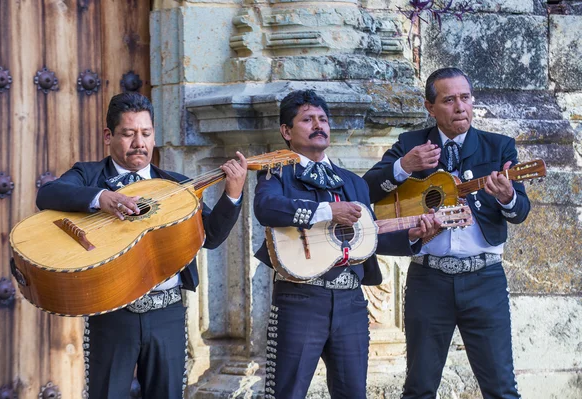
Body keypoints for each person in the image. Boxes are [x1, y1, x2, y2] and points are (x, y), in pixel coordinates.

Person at [36, 92, 248, 398]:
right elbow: (48, 195)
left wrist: (233, 193)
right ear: (109, 136)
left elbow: (212, 237)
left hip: (167, 312)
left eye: (146, 134)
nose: (139, 143)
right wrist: (100, 198)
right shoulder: (89, 174)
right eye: (128, 134)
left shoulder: (175, 185)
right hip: (112, 313)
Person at [253, 90, 441, 399]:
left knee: (354, 394)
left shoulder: (352, 182)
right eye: (307, 119)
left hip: (350, 303)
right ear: (286, 131)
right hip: (299, 300)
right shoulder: (277, 173)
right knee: (286, 394)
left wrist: (413, 236)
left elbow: (367, 238)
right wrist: (327, 211)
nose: (319, 125)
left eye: (323, 119)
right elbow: (266, 208)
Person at [363, 67, 530, 398]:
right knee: (420, 387)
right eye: (449, 99)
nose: (460, 107)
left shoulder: (498, 148)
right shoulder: (410, 145)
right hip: (429, 281)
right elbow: (366, 190)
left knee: (501, 388)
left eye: (465, 98)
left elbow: (520, 212)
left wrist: (507, 196)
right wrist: (403, 167)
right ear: (430, 107)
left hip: (485, 279)